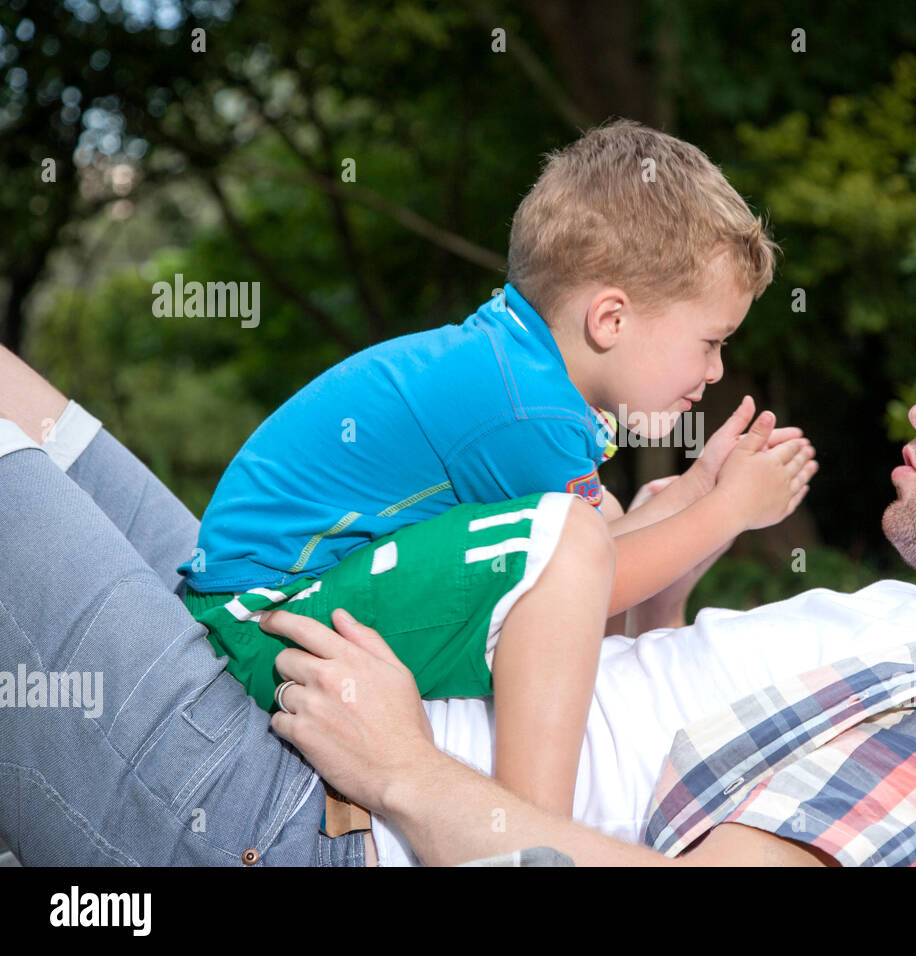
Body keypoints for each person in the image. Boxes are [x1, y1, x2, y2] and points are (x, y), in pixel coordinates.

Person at [0, 269, 916, 866]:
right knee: (35, 413)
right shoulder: (905, 627)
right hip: (305, 678)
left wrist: (409, 769)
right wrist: (663, 566)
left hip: (303, 812)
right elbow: (628, 741)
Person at [176, 118, 816, 816]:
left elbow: (594, 552)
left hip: (273, 604)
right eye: (710, 342)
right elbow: (588, 582)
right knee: (579, 541)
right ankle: (528, 833)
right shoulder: (524, 413)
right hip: (265, 625)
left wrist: (699, 486)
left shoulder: (519, 367)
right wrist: (728, 511)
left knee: (597, 521)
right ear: (611, 320)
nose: (716, 371)